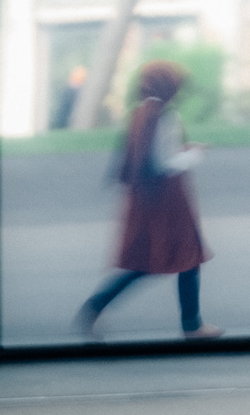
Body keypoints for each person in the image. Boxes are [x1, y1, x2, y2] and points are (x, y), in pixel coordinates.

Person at [74, 61, 222, 340]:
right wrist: (195, 153)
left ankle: (96, 306)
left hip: (144, 198)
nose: (179, 92)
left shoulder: (141, 113)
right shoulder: (166, 116)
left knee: (150, 262)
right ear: (168, 87)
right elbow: (166, 162)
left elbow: (144, 156)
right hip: (168, 199)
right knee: (184, 258)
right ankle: (192, 325)